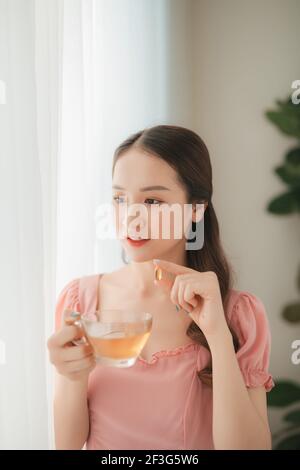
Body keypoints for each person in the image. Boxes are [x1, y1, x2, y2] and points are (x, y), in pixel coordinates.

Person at [47, 125, 274, 450]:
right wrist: (72, 376)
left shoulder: (237, 314)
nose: (131, 217)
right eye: (120, 199)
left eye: (152, 200)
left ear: (196, 208)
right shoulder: (80, 302)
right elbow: (66, 446)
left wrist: (218, 336)